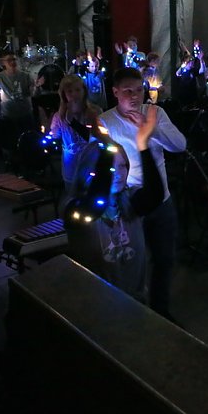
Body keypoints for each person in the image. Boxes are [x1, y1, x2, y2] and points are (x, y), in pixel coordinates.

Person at [100, 67, 187, 319]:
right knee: (133, 261)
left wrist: (151, 130)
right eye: (128, 91)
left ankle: (160, 311)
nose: (135, 96)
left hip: (160, 198)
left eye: (139, 90)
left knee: (164, 259)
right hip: (130, 202)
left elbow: (180, 145)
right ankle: (132, 311)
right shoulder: (107, 121)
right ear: (116, 92)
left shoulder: (155, 113)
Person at [65, 106, 165, 302]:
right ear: (91, 170)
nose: (119, 172)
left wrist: (143, 145)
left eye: (122, 165)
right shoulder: (76, 209)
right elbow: (96, 202)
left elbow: (155, 194)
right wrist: (104, 144)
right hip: (97, 305)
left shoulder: (129, 200)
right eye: (110, 167)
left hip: (136, 300)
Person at [49, 75, 100, 193]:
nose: (74, 94)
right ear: (64, 94)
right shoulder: (59, 116)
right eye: (70, 91)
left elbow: (98, 136)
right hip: (71, 163)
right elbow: (55, 135)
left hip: (91, 161)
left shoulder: (94, 112)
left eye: (77, 90)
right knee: (72, 195)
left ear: (84, 91)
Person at [0, 53, 36, 134]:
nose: (12, 62)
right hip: (8, 115)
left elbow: (32, 94)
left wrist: (36, 87)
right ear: (3, 63)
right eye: (9, 60)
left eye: (14, 59)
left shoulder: (26, 76)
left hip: (25, 113)